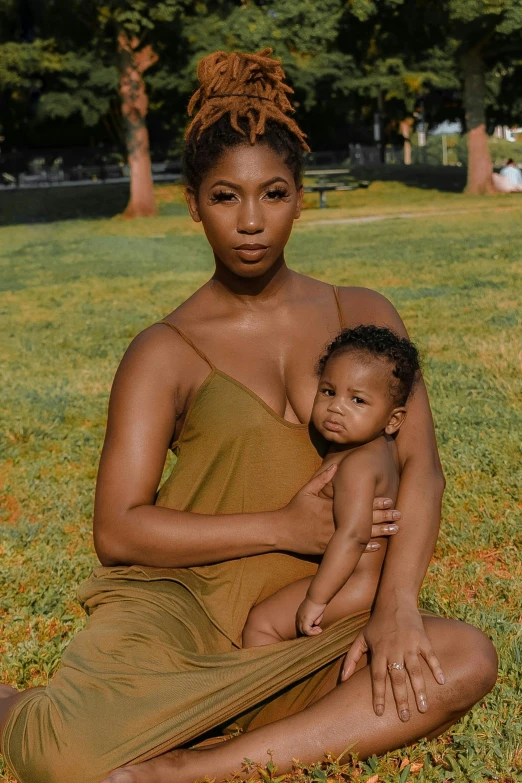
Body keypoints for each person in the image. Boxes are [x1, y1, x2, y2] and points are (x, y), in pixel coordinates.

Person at [0, 48, 497, 783]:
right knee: (58, 752)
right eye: (227, 197)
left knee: (464, 657)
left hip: (317, 613)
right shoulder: (162, 351)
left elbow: (422, 466)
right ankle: (18, 705)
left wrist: (396, 603)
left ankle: (185, 767)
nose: (252, 221)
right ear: (194, 202)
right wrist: (280, 527)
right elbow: (118, 528)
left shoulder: (360, 314)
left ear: (299, 197)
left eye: (273, 193)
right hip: (184, 609)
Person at [242, 325, 419, 647]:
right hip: (357, 580)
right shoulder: (375, 450)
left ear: (393, 420)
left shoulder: (357, 466)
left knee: (262, 624)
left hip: (352, 583)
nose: (337, 406)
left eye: (358, 400)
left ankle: (269, 695)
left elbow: (352, 536)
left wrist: (316, 599)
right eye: (328, 392)